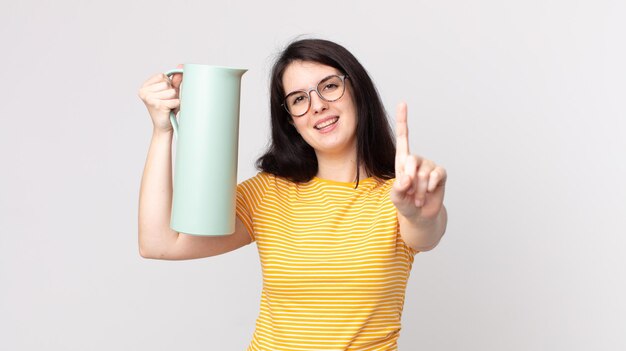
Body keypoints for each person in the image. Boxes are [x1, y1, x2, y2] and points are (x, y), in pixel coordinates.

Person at [137, 38, 448, 351]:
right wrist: (163, 131)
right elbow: (159, 242)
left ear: (357, 90)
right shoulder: (268, 193)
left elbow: (425, 232)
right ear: (290, 119)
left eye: (329, 86)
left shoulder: (399, 196)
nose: (317, 105)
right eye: (299, 99)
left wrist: (418, 212)